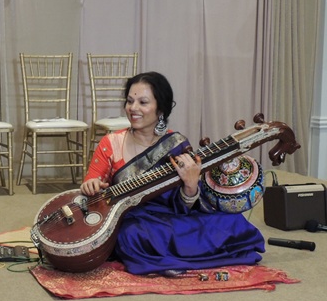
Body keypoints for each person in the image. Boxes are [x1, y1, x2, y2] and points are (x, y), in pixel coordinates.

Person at [80, 71, 265, 275]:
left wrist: (191, 185)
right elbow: (91, 183)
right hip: (135, 219)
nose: (133, 108)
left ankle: (164, 259)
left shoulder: (175, 144)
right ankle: (176, 257)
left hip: (171, 217)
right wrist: (90, 185)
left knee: (234, 223)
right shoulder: (111, 143)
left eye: (143, 102)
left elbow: (185, 205)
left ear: (160, 108)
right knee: (130, 235)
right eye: (130, 101)